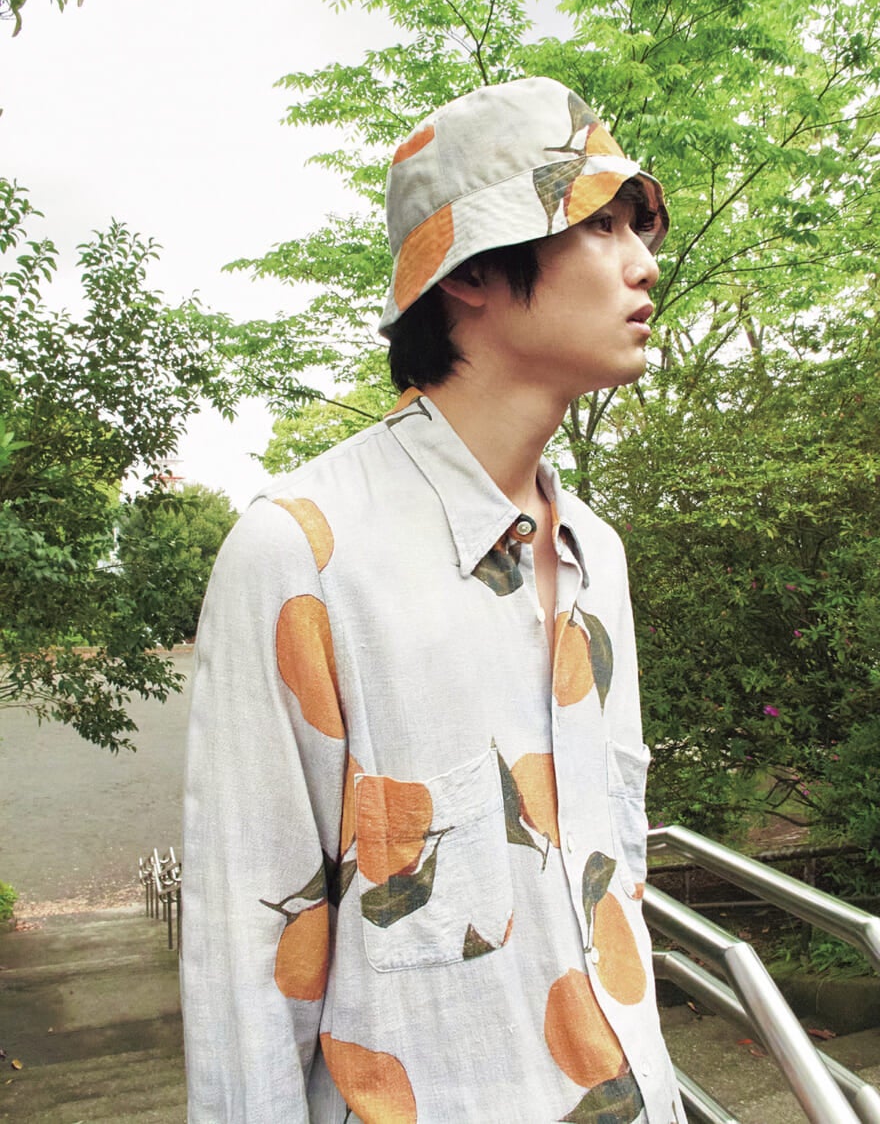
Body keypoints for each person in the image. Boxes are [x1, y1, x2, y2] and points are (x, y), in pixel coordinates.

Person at [181, 75, 686, 1123]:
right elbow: (247, 964)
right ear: (471, 271)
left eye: (638, 226)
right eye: (598, 224)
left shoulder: (596, 553)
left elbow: (618, 869)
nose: (643, 262)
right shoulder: (303, 554)